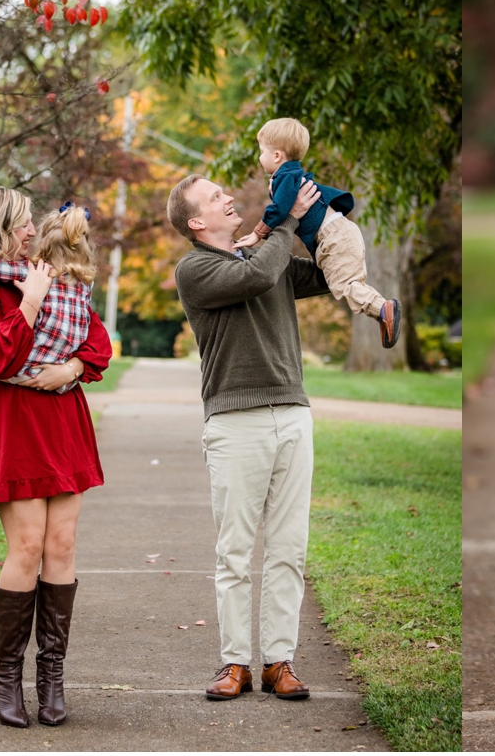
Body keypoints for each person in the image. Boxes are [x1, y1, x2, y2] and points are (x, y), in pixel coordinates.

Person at [0, 187, 111, 729]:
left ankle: (53, 679)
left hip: (61, 419)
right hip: (10, 424)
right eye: (20, 223)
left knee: (61, 543)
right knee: (27, 545)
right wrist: (30, 300)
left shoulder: (47, 268)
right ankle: (8, 680)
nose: (30, 232)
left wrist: (71, 370)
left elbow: (94, 337)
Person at [168, 172, 329, 702]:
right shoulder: (195, 268)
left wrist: (315, 222)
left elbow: (328, 274)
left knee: (289, 549)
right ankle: (234, 662)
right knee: (235, 552)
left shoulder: (263, 253)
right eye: (215, 196)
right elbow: (259, 276)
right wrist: (280, 223)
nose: (227, 197)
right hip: (236, 421)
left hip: (292, 413)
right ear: (196, 221)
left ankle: (278, 661)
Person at [232, 117, 401, 348]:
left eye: (261, 151)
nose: (260, 157)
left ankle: (383, 308)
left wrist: (258, 234)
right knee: (350, 284)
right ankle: (382, 315)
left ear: (277, 156)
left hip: (334, 237)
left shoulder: (285, 177)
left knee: (345, 287)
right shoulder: (290, 175)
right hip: (340, 233)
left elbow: (280, 209)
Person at [0, 202, 96, 397]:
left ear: (45, 245)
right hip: (61, 376)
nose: (33, 232)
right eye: (24, 224)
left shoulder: (34, 272)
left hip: (27, 372)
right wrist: (69, 370)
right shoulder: (85, 285)